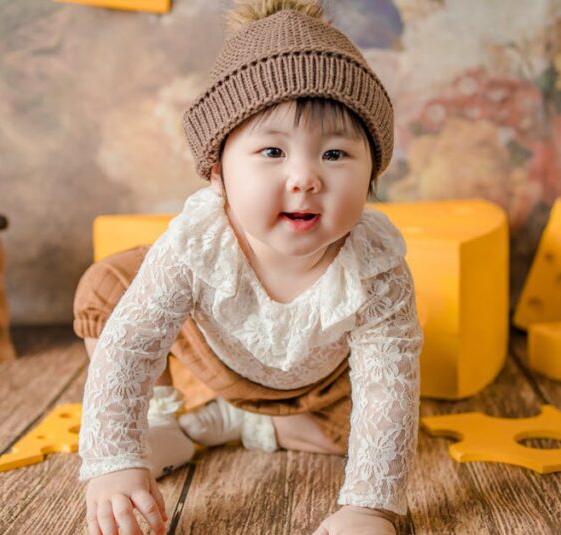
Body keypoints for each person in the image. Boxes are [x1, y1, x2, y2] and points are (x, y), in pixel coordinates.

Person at [74, 1, 423, 533]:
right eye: (271, 152)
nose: (305, 178)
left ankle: (235, 423)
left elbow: (388, 388)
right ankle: (161, 420)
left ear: (373, 169)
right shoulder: (198, 243)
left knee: (381, 432)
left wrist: (369, 507)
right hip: (208, 353)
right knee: (107, 288)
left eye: (335, 155)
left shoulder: (376, 269)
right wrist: (112, 461)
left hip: (316, 384)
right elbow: (132, 343)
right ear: (217, 172)